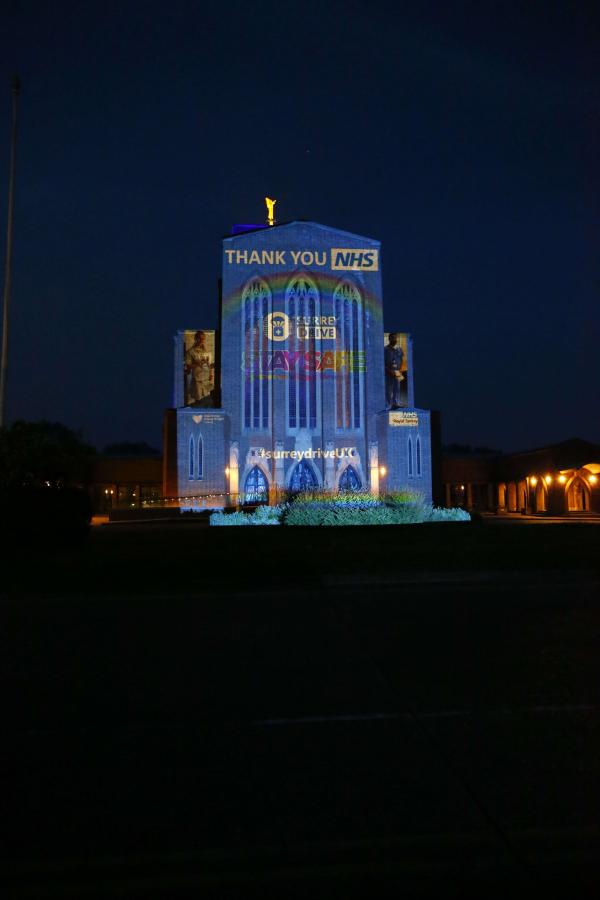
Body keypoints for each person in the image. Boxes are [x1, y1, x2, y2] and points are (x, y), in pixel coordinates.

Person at [185, 331, 213, 406]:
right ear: (195, 339)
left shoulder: (205, 350)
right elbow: (188, 366)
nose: (202, 341)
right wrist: (198, 363)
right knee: (198, 401)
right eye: (200, 339)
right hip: (197, 380)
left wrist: (211, 374)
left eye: (203, 339)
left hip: (206, 379)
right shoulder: (190, 352)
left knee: (207, 399)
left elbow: (209, 364)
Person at [384, 332, 404, 409]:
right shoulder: (385, 349)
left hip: (398, 371)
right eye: (392, 338)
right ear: (389, 339)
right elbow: (382, 362)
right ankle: (388, 405)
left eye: (395, 338)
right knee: (388, 389)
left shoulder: (399, 349)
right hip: (388, 371)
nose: (394, 339)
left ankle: (396, 403)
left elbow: (401, 360)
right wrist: (389, 371)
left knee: (397, 388)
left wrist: (401, 369)